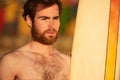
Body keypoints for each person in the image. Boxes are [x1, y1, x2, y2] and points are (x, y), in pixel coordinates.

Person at [0, 0, 70, 80]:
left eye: (55, 18)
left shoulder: (68, 63)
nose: (51, 25)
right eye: (44, 18)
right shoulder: (11, 61)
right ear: (29, 21)